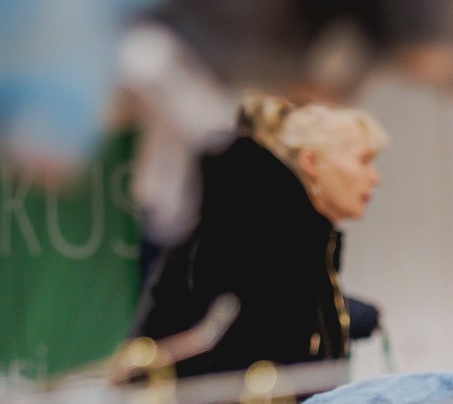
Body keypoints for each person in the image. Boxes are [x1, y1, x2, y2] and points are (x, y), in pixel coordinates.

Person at [135, 96, 385, 377]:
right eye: (364, 160)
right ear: (311, 162)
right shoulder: (268, 239)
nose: (375, 178)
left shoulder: (312, 244)